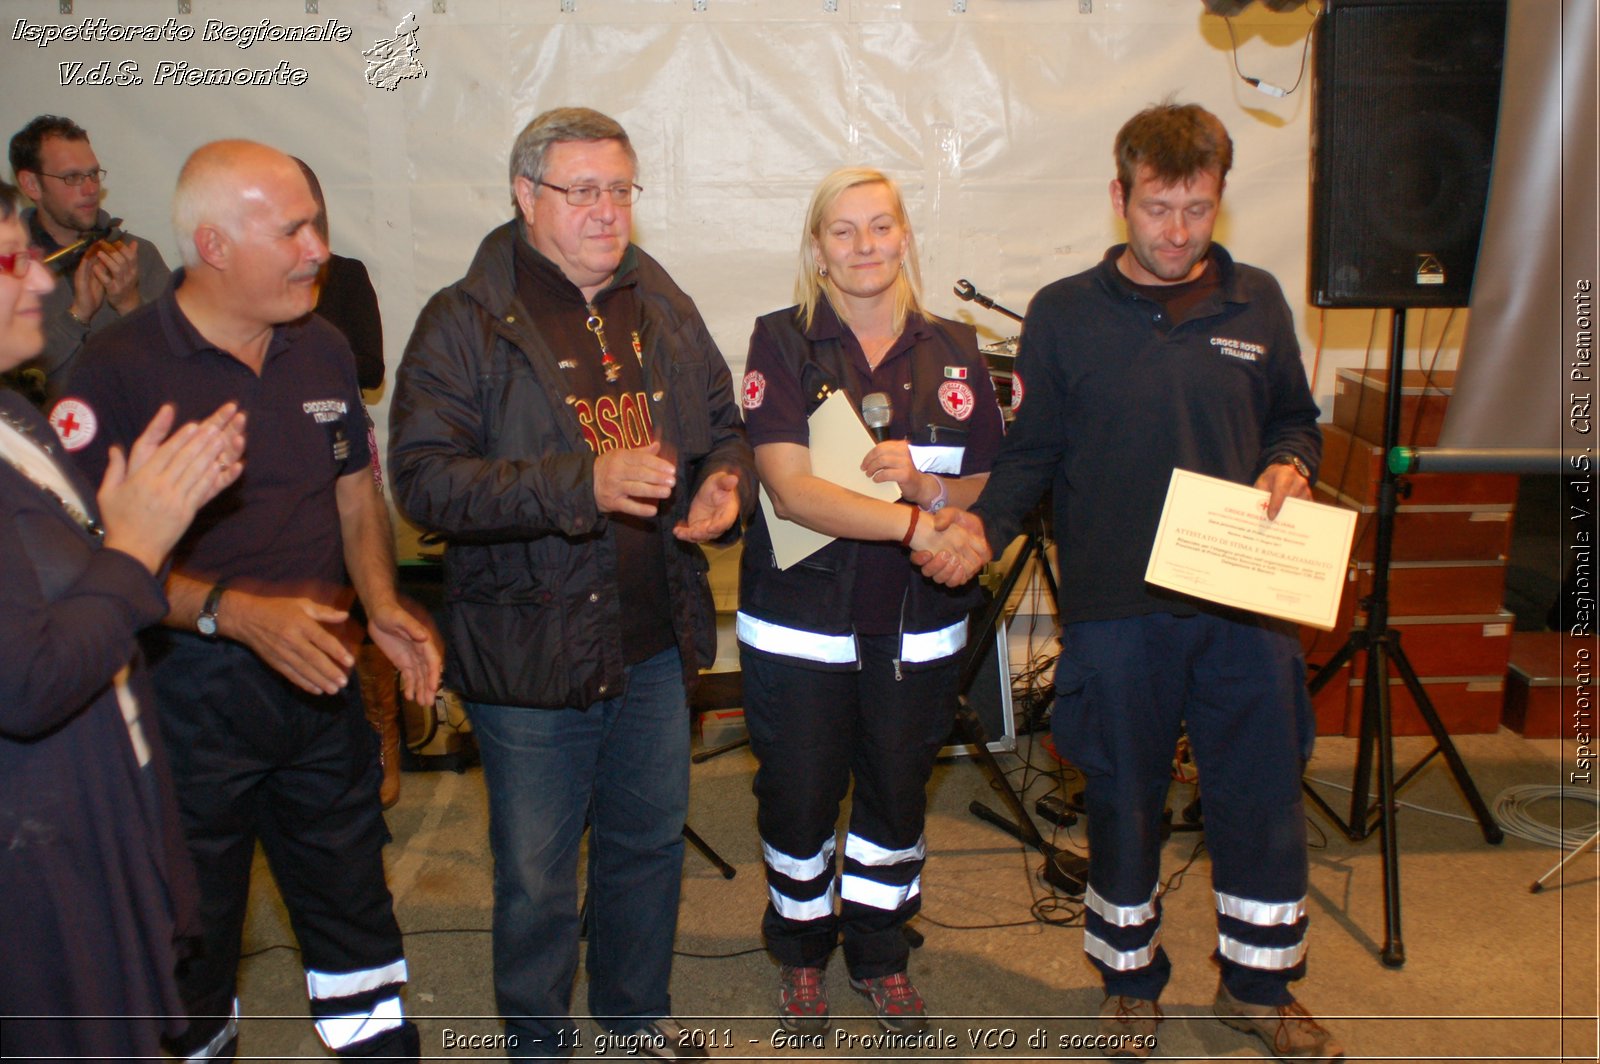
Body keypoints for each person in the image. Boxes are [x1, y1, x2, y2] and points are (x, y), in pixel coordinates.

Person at [929, 101, 1339, 1060]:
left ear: (1219, 202)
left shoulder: (1262, 301)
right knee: (1121, 796)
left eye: (1197, 209)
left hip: (1245, 604)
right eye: (1158, 208)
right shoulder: (1066, 314)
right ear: (1120, 197)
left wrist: (1293, 464)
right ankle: (1129, 982)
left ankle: (1262, 986)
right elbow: (1030, 456)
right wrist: (977, 531)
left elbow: (1295, 419)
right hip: (1118, 610)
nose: (1177, 231)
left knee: (1262, 795)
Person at [56, 140, 440, 1062]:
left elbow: (355, 491)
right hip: (182, 704)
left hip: (320, 688)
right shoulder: (114, 372)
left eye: (318, 222)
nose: (320, 249)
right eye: (294, 229)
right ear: (213, 244)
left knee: (356, 925)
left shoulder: (323, 348)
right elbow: (82, 558)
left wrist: (381, 602)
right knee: (191, 944)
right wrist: (232, 612)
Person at [388, 106, 753, 1059]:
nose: (606, 211)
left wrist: (726, 481)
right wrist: (580, 483)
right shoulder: (464, 319)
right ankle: (537, 1036)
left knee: (647, 846)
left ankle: (635, 1016)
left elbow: (723, 422)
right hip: (530, 646)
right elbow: (423, 478)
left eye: (620, 189)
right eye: (580, 190)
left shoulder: (658, 296)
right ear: (524, 196)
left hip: (654, 636)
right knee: (539, 872)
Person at [735, 167, 1000, 1034]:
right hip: (801, 625)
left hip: (917, 631)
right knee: (800, 797)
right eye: (843, 232)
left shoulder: (955, 348)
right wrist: (915, 526)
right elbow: (791, 493)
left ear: (904, 235)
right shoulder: (781, 341)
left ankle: (881, 952)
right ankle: (802, 952)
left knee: (894, 799)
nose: (864, 247)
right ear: (817, 248)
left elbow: (985, 484)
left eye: (880, 227)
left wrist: (931, 493)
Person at [0, 177, 245, 1061]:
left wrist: (134, 518)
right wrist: (136, 547)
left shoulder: (16, 416)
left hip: (99, 827)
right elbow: (24, 684)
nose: (40, 282)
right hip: (38, 876)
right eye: (11, 259)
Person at [293, 156, 404, 807]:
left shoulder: (345, 275)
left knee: (367, 593)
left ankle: (385, 734)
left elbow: (371, 368)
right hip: (270, 450)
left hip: (341, 446)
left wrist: (302, 327)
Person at [9, 115, 171, 399]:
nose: (91, 189)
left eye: (94, 174)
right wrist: (76, 316)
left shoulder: (138, 254)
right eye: (72, 177)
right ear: (31, 185)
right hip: (42, 438)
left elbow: (181, 361)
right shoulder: (7, 268)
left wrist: (130, 306)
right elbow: (12, 378)